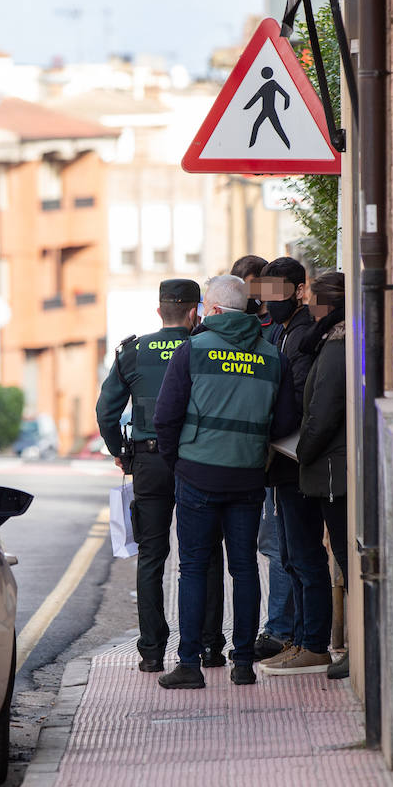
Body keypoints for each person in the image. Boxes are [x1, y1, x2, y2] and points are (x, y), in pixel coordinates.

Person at [154, 275, 299, 689]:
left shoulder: (192, 350)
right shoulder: (274, 358)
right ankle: (243, 664)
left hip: (196, 474)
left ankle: (188, 664)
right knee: (245, 569)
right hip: (248, 477)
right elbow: (286, 423)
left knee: (194, 568)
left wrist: (178, 462)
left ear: (213, 310)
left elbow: (166, 417)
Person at [95, 279, 224, 672]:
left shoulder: (133, 351)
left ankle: (152, 651)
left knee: (151, 556)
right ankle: (210, 646)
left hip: (149, 463)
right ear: (193, 312)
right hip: (195, 461)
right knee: (202, 556)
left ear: (159, 311)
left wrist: (121, 452)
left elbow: (106, 412)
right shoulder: (205, 348)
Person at [267, 270, 347, 676]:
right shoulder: (315, 339)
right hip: (301, 464)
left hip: (311, 465)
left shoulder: (327, 344)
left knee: (309, 558)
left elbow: (317, 409)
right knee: (293, 557)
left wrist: (301, 452)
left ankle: (313, 644)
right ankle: (302, 640)